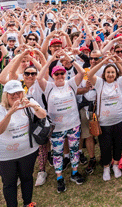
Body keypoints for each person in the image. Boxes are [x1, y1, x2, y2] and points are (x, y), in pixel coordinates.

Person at [36, 51, 86, 193]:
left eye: (61, 74)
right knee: (57, 153)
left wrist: (71, 59)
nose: (59, 76)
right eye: (56, 74)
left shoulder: (71, 84)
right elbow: (39, 77)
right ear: (52, 76)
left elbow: (81, 72)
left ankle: (75, 173)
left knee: (74, 149)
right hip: (57, 129)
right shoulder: (49, 87)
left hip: (73, 125)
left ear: (65, 75)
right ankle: (59, 178)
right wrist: (52, 59)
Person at [0, 80, 47, 207]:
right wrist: (10, 112)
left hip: (28, 151)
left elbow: (43, 115)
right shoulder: (0, 110)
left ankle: (28, 203)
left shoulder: (29, 102)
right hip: (6, 156)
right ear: (6, 95)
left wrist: (34, 106)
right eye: (12, 93)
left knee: (27, 178)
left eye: (19, 92)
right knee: (9, 183)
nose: (16, 96)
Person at [87, 53, 122, 181]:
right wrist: (102, 62)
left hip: (119, 120)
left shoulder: (119, 82)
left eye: (113, 72)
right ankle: (106, 166)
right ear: (104, 74)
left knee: (118, 143)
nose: (111, 75)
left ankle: (116, 165)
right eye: (108, 72)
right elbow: (90, 74)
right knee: (105, 145)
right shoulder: (99, 83)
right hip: (104, 122)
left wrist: (119, 62)